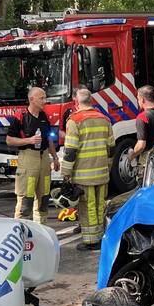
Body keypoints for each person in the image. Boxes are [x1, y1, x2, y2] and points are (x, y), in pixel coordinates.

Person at [60, 88, 115, 251]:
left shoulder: (74, 121)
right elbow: (111, 148)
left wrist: (66, 173)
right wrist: (107, 167)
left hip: (84, 174)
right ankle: (100, 235)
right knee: (100, 205)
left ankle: (91, 241)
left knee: (87, 206)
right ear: (91, 101)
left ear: (76, 102)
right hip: (102, 172)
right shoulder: (104, 119)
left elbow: (70, 151)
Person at [7, 86, 60, 223]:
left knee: (43, 199)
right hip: (28, 158)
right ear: (32, 99)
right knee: (26, 201)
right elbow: (9, 140)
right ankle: (21, 232)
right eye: (41, 98)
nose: (45, 101)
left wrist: (55, 158)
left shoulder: (43, 116)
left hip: (44, 159)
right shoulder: (21, 116)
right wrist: (28, 140)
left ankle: (41, 232)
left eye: (45, 97)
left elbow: (48, 138)